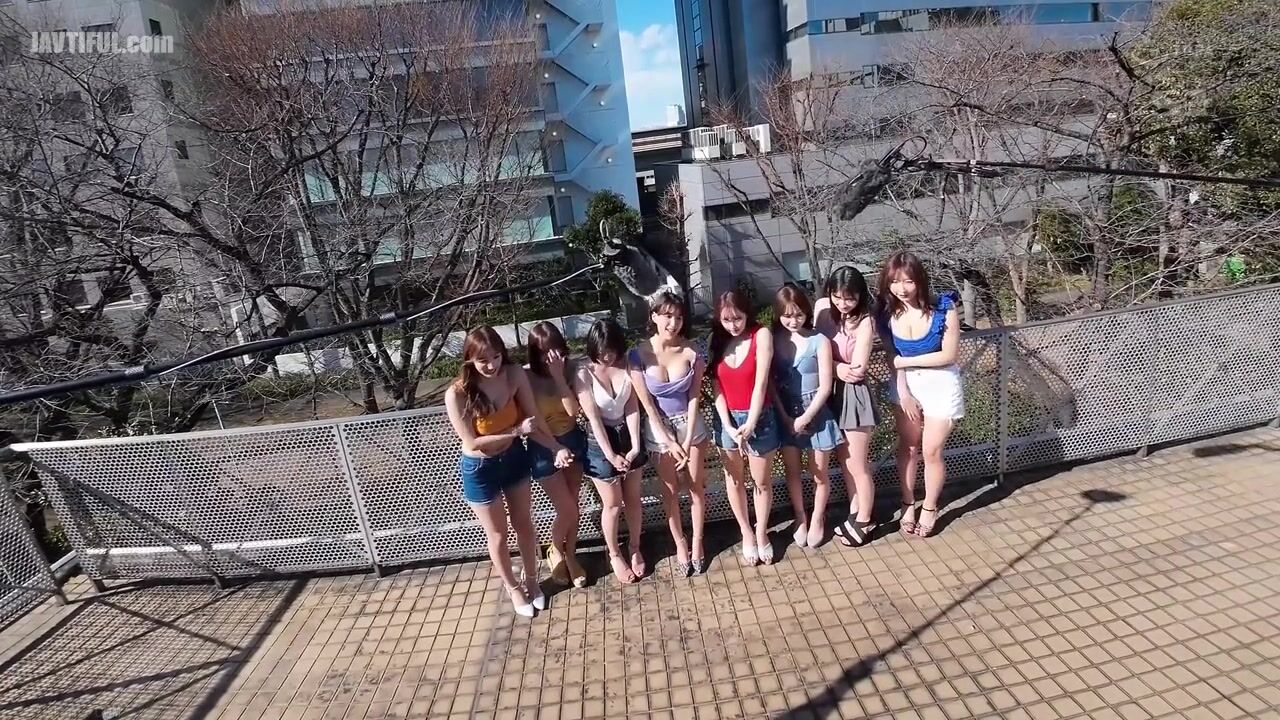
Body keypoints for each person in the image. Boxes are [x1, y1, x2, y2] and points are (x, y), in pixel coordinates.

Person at [444, 326, 573, 617]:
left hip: (513, 458)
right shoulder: (458, 393)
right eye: (483, 360)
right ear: (469, 360)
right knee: (498, 535)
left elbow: (533, 419)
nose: (492, 365)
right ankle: (513, 587)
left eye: (496, 357)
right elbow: (472, 442)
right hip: (481, 468)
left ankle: (532, 581)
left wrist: (555, 447)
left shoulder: (514, 375)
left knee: (524, 525)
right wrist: (516, 431)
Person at [877, 251, 965, 539]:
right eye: (895, 282)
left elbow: (948, 355)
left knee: (931, 450)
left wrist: (906, 361)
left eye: (909, 281)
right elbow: (891, 357)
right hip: (906, 385)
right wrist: (903, 393)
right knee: (909, 447)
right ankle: (907, 503)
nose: (901, 289)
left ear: (920, 281)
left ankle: (929, 506)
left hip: (940, 383)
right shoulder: (886, 313)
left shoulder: (943, 308)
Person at [629, 292, 711, 577]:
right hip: (658, 429)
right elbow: (647, 404)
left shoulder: (692, 350)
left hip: (690, 424)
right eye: (667, 316)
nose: (673, 323)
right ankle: (680, 543)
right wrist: (668, 440)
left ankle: (698, 541)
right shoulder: (638, 354)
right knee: (670, 491)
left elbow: (694, 396)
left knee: (696, 487)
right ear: (654, 316)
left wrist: (686, 440)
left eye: (678, 317)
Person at [575, 318, 650, 583]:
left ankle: (635, 547)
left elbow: (632, 406)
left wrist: (635, 446)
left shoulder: (627, 364)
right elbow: (593, 418)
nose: (607, 356)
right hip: (599, 442)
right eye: (601, 350)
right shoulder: (584, 372)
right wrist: (610, 455)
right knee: (613, 504)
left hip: (627, 434)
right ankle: (615, 553)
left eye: (611, 350)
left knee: (633, 498)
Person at [710, 288, 780, 565]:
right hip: (726, 419)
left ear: (746, 313)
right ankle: (746, 532)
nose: (733, 325)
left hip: (759, 417)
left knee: (761, 481)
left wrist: (750, 422)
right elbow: (716, 387)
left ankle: (762, 532)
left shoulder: (760, 334)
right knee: (734, 480)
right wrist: (728, 425)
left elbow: (761, 382)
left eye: (737, 318)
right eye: (727, 320)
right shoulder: (717, 340)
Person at [770, 283, 843, 549]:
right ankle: (800, 516)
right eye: (787, 315)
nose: (793, 321)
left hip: (817, 413)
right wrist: (785, 416)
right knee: (792, 471)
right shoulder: (774, 340)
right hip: (786, 411)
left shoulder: (818, 340)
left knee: (819, 472)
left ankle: (818, 517)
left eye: (798, 314)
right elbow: (770, 384)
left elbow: (825, 386)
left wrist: (806, 417)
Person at [814, 266, 879, 547]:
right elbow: (813, 350)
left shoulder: (865, 320)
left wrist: (834, 367)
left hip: (853, 394)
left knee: (857, 462)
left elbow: (858, 369)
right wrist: (837, 367)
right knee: (844, 460)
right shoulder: (821, 309)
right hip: (828, 391)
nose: (843, 303)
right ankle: (855, 513)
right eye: (837, 296)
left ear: (860, 296)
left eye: (849, 298)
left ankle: (865, 519)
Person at [525, 322, 589, 589]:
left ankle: (570, 555)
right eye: (543, 352)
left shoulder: (572, 369)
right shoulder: (526, 377)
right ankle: (555, 549)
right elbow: (533, 423)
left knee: (574, 504)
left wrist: (559, 376)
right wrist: (555, 448)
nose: (550, 357)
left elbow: (573, 411)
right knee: (567, 509)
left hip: (572, 439)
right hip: (543, 445)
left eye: (554, 350)